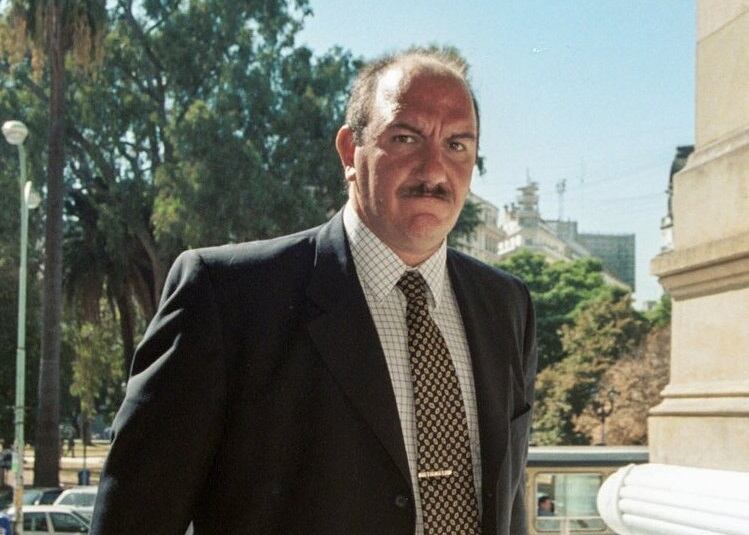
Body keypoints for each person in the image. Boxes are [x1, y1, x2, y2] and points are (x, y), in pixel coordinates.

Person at [91, 47, 537, 535]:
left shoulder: (506, 307)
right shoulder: (227, 298)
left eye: (457, 145)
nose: (434, 171)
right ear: (349, 151)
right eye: (406, 138)